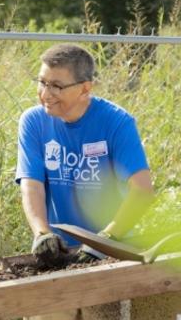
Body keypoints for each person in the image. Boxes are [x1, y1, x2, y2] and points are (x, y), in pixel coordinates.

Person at [16, 43, 155, 267]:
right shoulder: (33, 121)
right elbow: (32, 185)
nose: (46, 94)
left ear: (85, 88)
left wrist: (105, 241)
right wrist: (42, 234)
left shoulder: (117, 122)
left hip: (114, 245)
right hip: (62, 249)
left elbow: (143, 191)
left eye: (57, 86)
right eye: (42, 82)